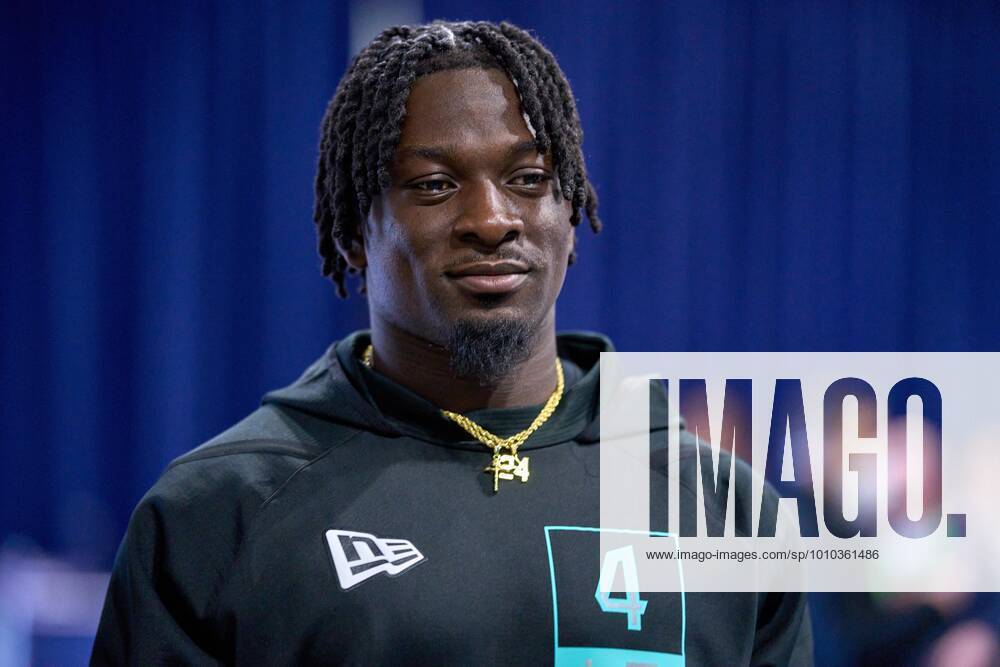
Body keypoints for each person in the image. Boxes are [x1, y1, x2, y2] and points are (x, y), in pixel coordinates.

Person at [92, 20, 812, 665]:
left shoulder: (726, 510)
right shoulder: (218, 514)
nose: (492, 218)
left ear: (571, 216)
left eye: (528, 179)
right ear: (352, 233)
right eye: (435, 186)